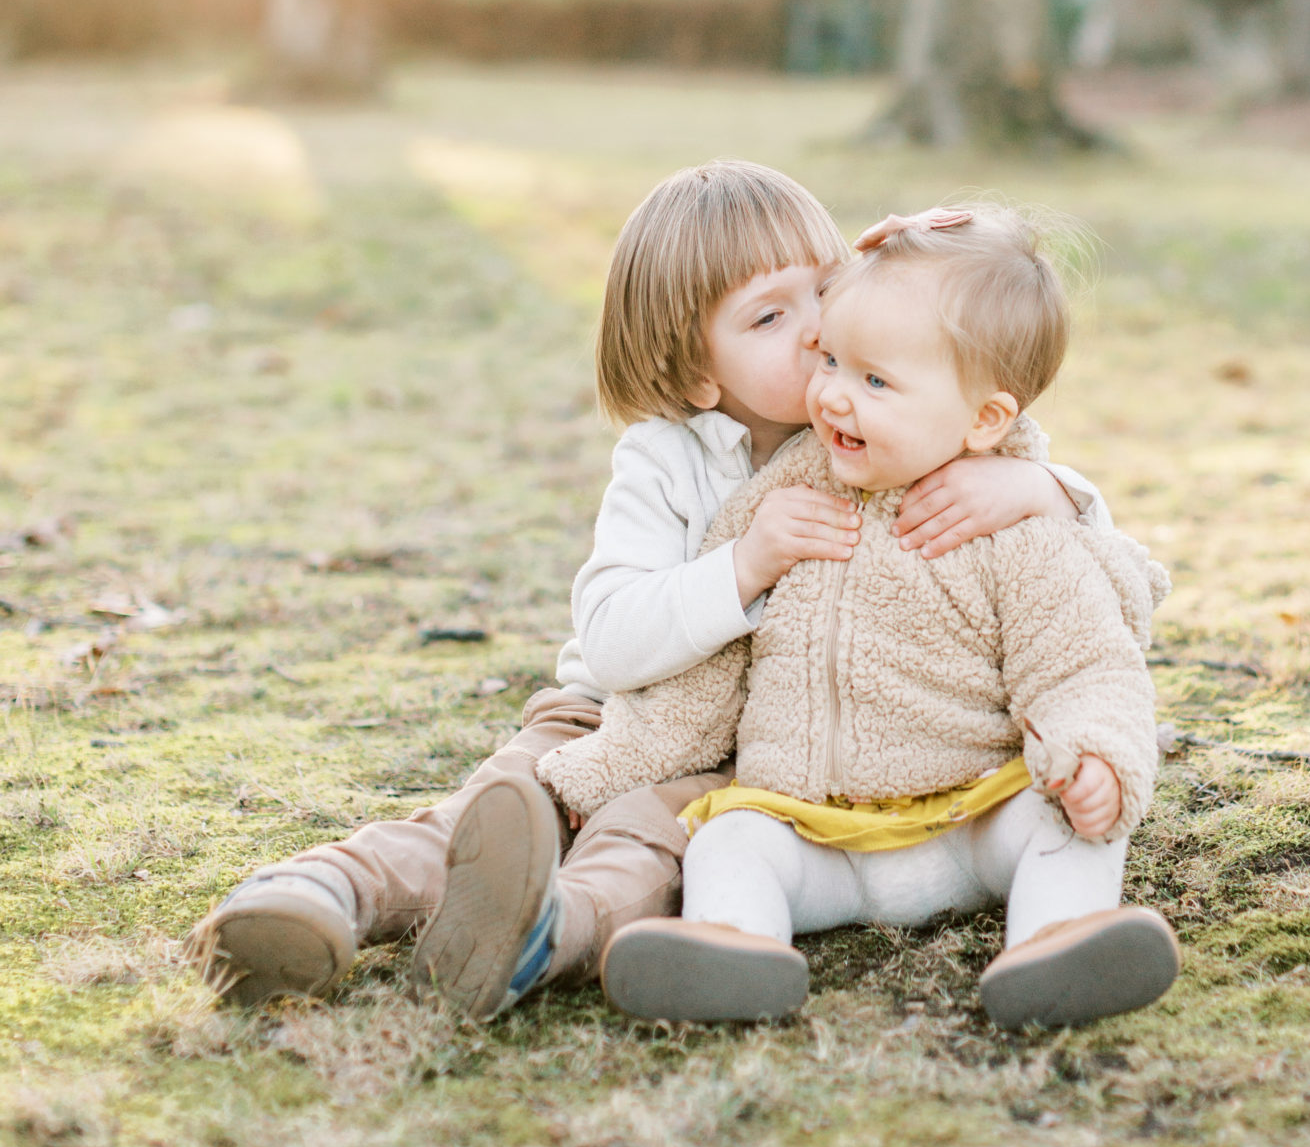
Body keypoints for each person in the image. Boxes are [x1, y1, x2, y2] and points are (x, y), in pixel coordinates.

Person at [191, 164, 1105, 1016]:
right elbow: (614, 634)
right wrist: (744, 565)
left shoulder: (879, 422)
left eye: (824, 291)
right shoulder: (664, 459)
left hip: (735, 752)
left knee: (641, 846)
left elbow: (1061, 552)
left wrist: (1043, 489)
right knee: (504, 806)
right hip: (601, 711)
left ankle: (535, 940)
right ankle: (318, 894)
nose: (821, 330)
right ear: (696, 372)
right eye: (769, 319)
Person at [530, 208, 1178, 1031]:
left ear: (984, 420)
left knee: (1070, 823)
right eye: (830, 358)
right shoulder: (782, 500)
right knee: (729, 840)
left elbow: (1084, 661)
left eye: (873, 381)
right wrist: (612, 763)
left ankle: (1058, 941)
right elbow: (709, 677)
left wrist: (1099, 757)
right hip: (814, 827)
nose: (830, 391)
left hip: (973, 813)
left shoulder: (1014, 521)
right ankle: (731, 948)